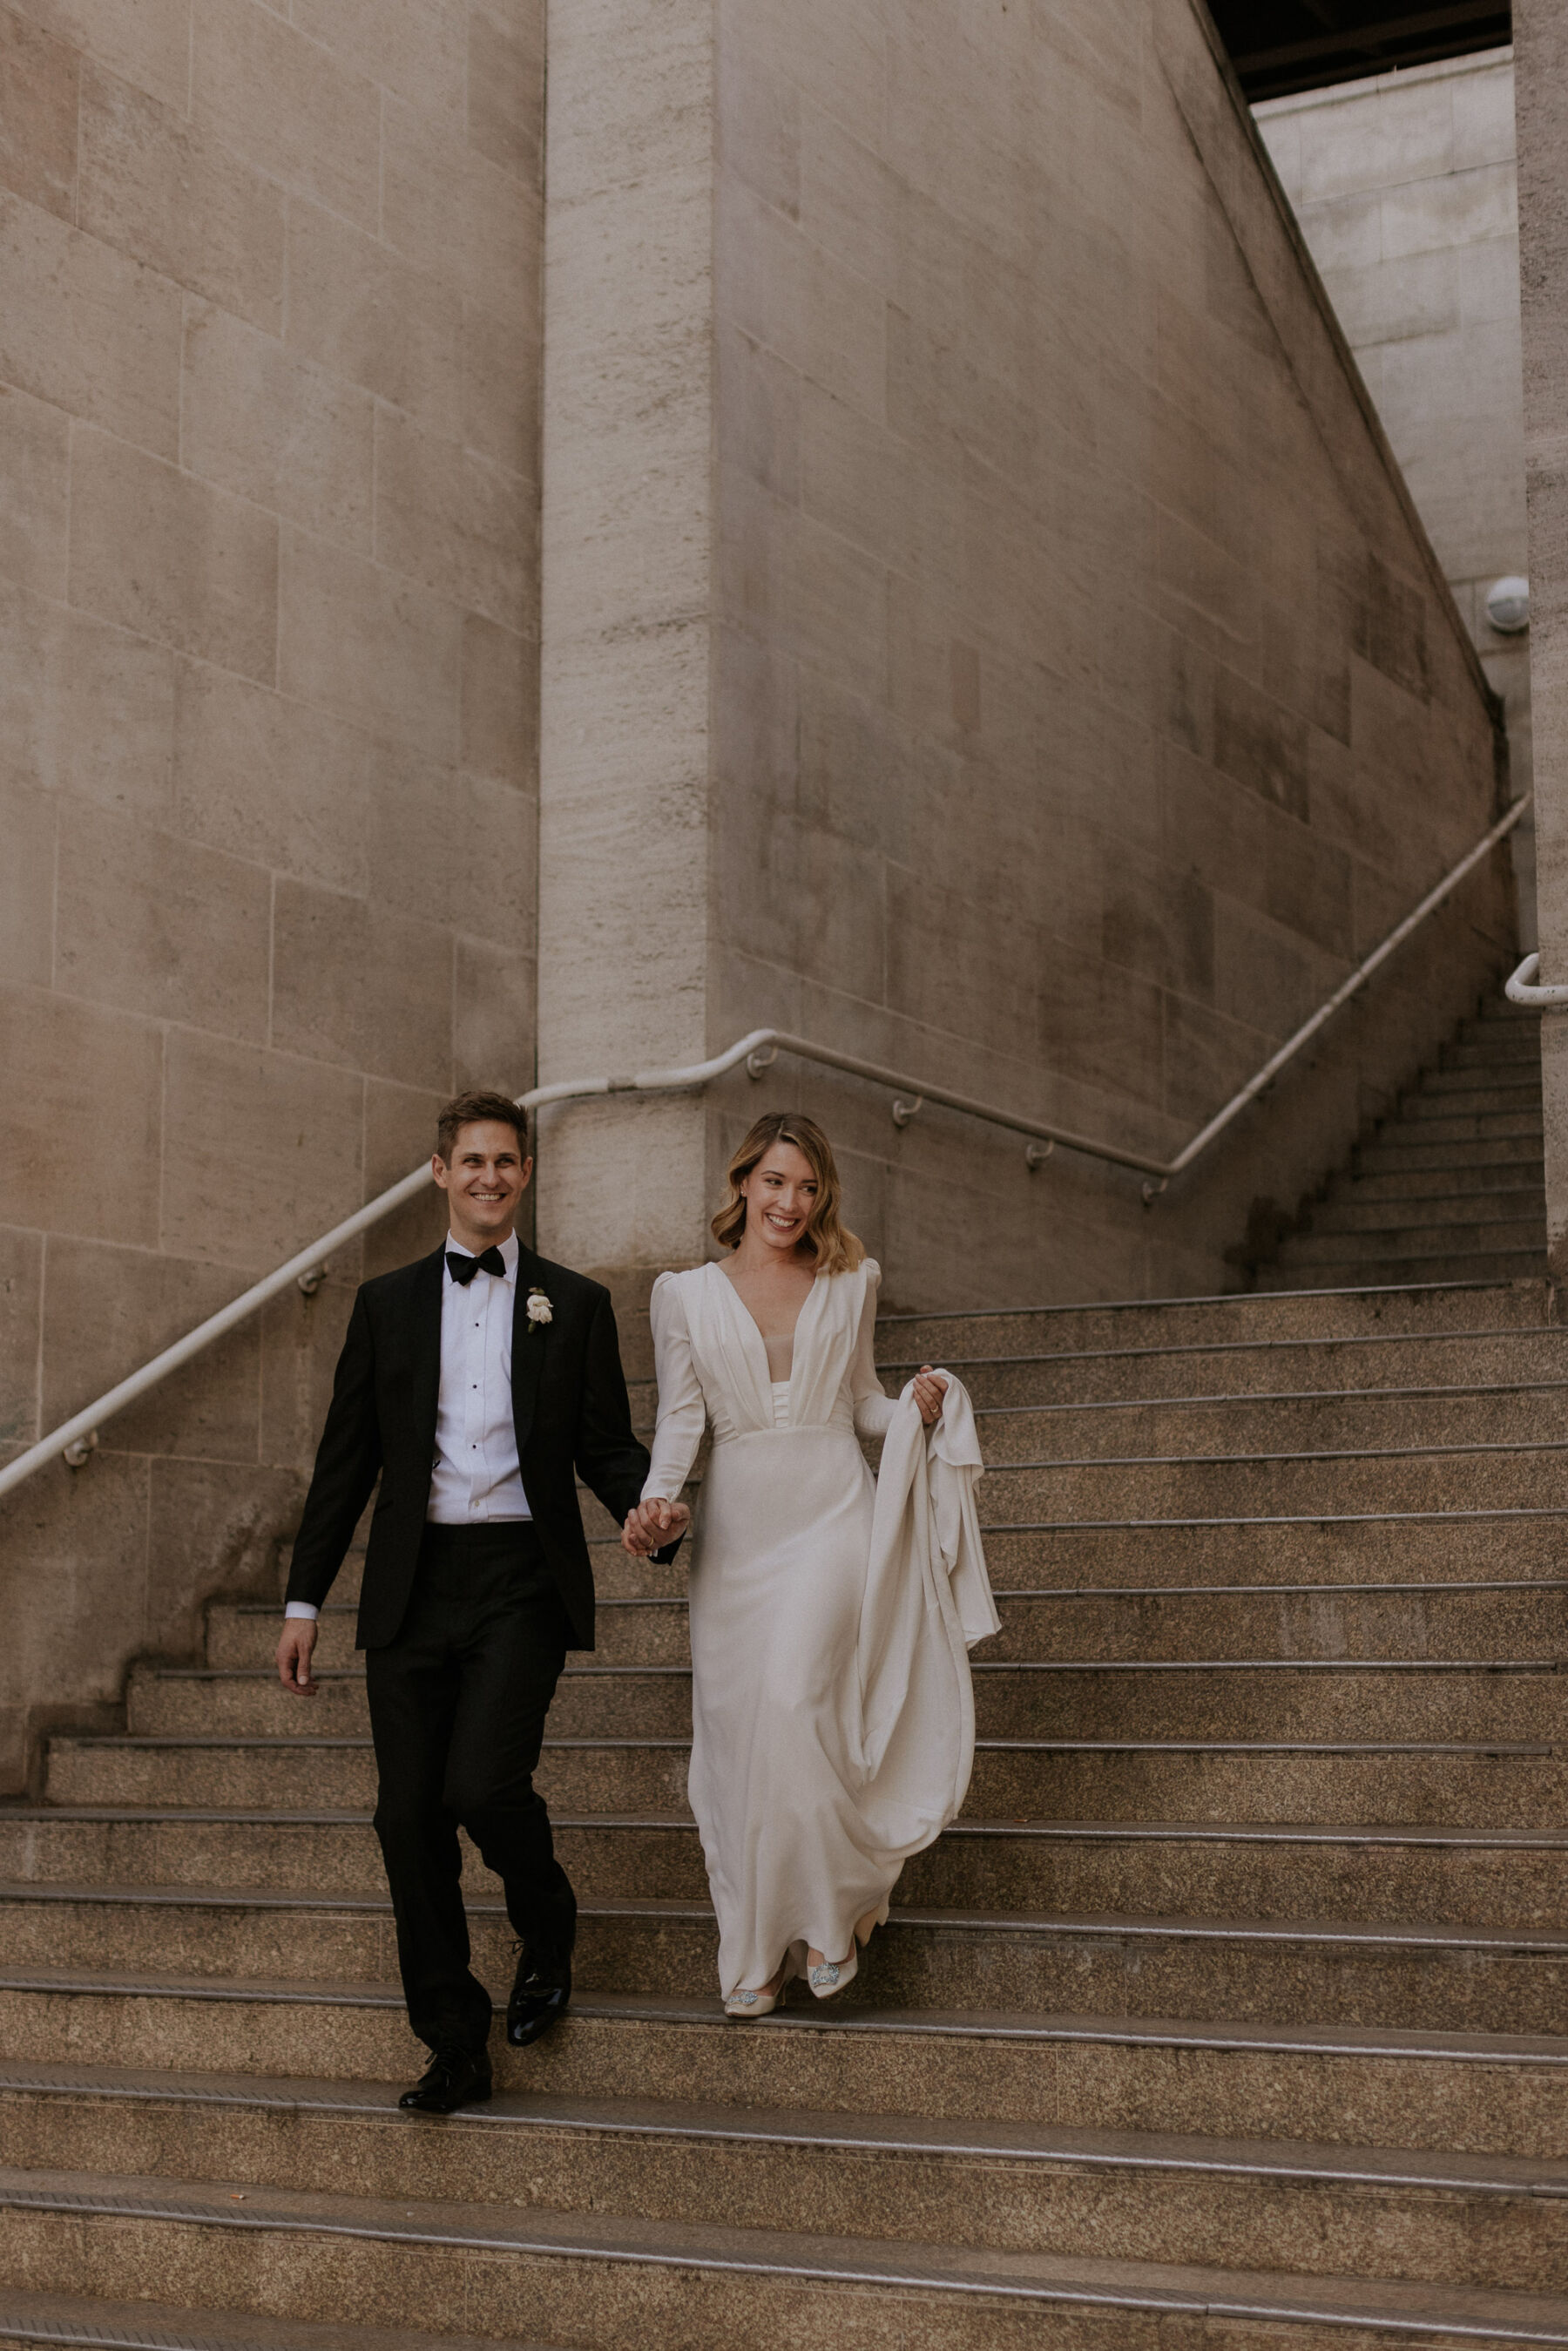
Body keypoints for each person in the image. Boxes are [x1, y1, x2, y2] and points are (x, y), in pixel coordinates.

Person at [275, 1089, 685, 2113]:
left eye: (507, 1161)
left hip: (519, 1581)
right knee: (406, 1817)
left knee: (479, 1789)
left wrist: (651, 1509)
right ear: (439, 1172)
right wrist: (303, 1598)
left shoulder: (574, 1305)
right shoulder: (385, 1305)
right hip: (412, 1586)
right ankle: (453, 2039)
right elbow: (346, 1465)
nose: (490, 1177)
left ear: (526, 1173)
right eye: (472, 1161)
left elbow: (603, 1445)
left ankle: (546, 1922)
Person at [623, 1111, 997, 2017]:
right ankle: (757, 1942)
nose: (791, 1201)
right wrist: (655, 1504)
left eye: (808, 1186)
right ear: (743, 1182)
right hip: (739, 1537)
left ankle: (832, 1914)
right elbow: (681, 1422)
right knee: (743, 1746)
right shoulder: (683, 1295)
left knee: (795, 1701)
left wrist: (916, 1405)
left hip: (834, 1513)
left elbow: (860, 1402)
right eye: (776, 1181)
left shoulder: (850, 1280)